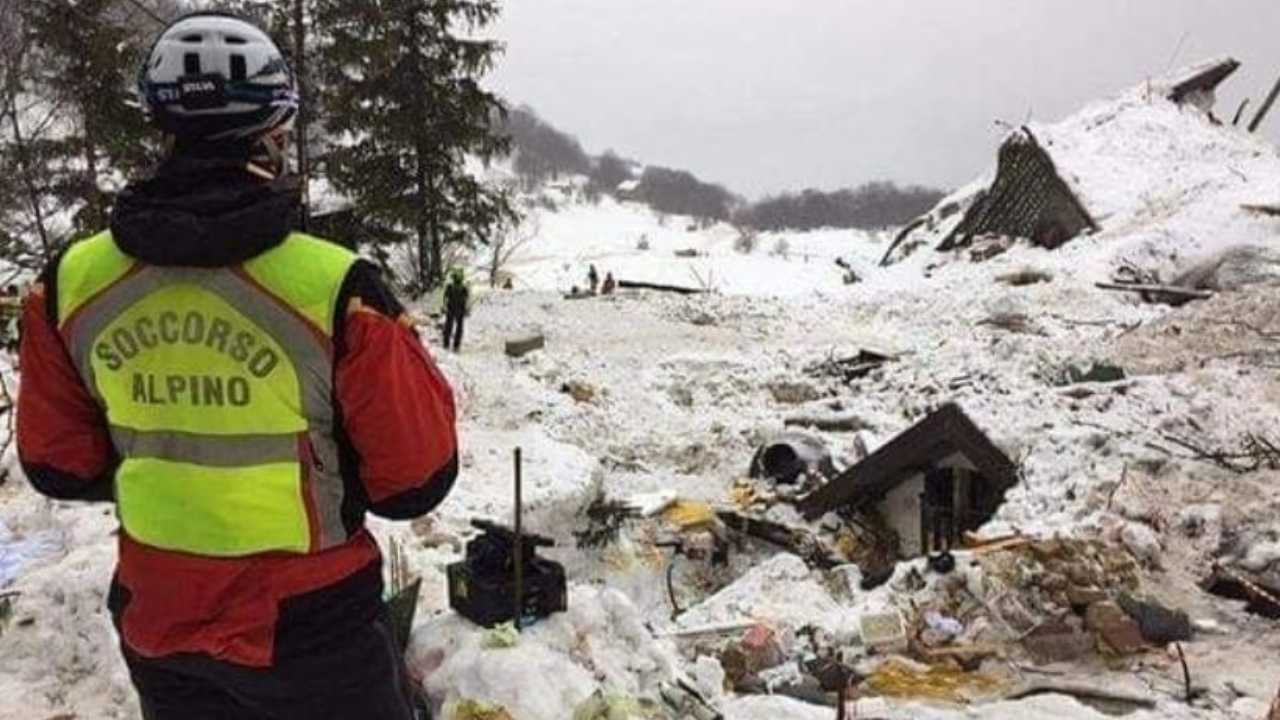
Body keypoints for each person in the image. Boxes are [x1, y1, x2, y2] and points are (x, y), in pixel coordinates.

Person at [16, 12, 457, 720]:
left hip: (157, 616)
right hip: (314, 626)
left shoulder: (70, 284)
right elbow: (415, 481)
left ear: (157, 125)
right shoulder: (337, 289)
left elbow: (58, 465)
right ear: (273, 132)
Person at [443, 268, 469, 351]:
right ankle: (455, 345)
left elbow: (445, 298)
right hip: (459, 309)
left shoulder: (450, 287)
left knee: (449, 327)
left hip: (452, 309)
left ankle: (447, 344)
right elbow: (467, 299)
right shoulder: (463, 288)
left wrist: (445, 307)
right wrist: (466, 309)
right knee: (457, 328)